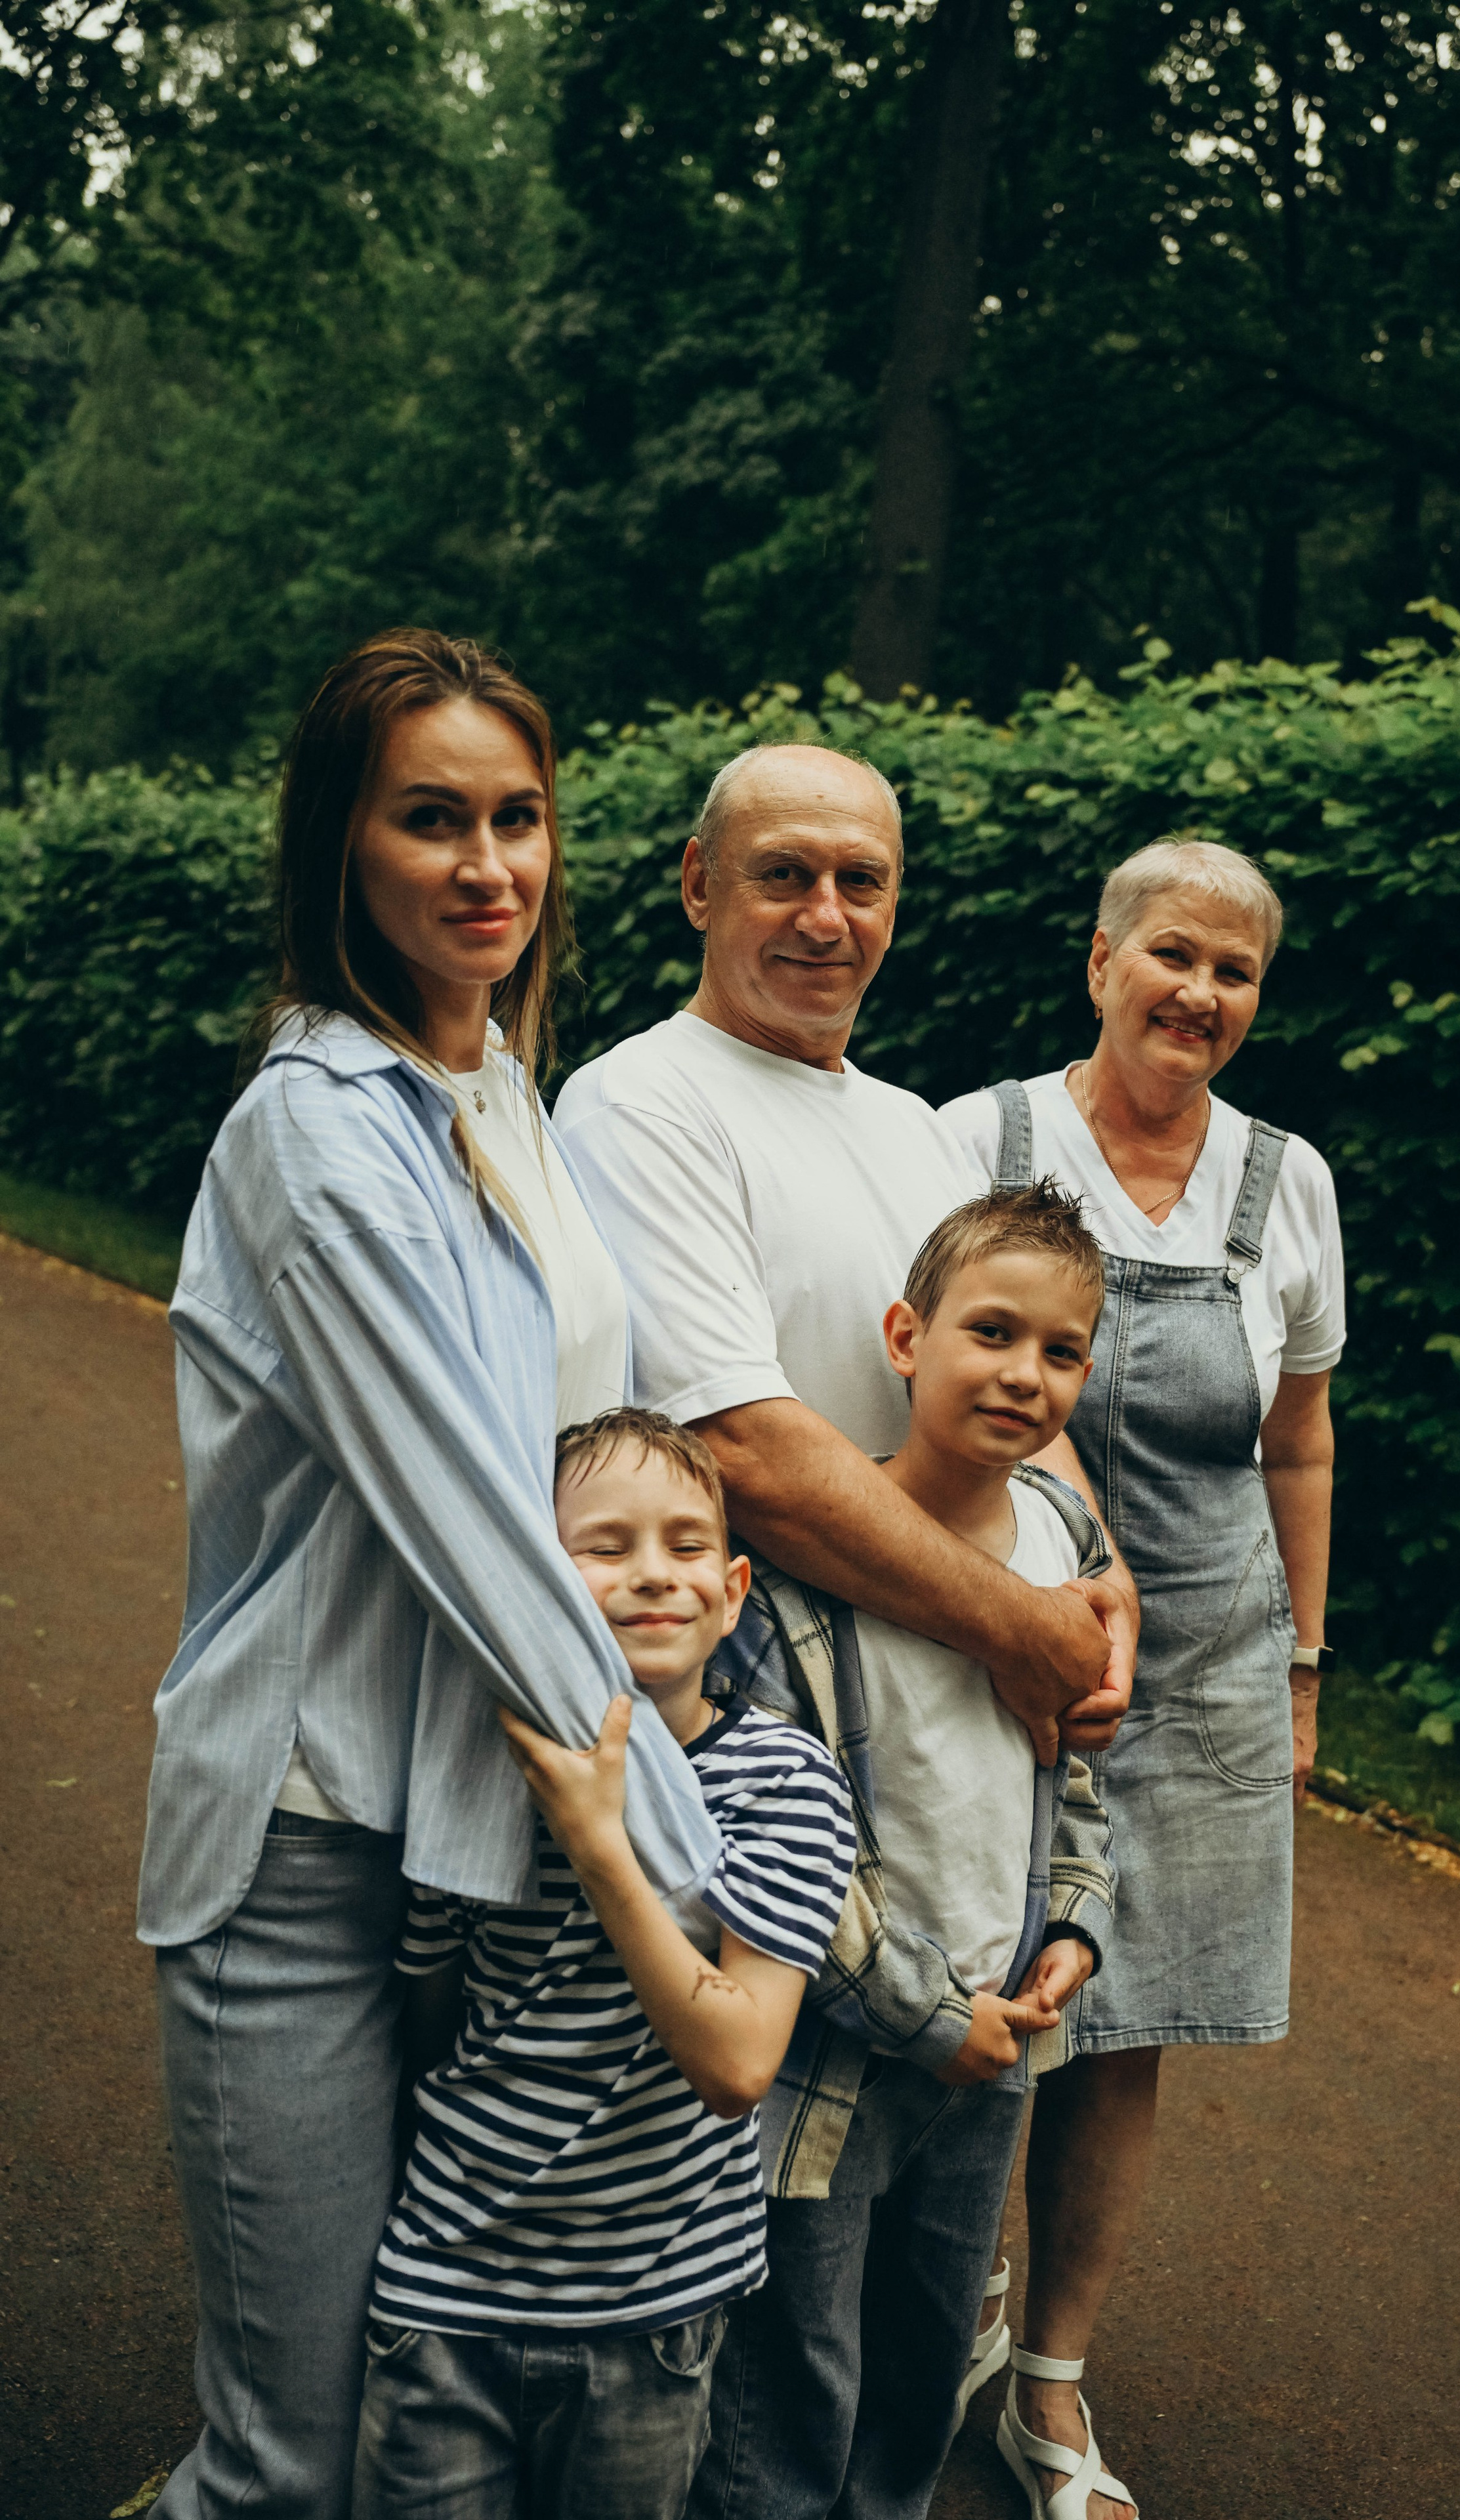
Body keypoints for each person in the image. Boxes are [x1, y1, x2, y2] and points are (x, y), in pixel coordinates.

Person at [141, 631, 723, 2520]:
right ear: (341, 849)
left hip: (482, 1868)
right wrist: (702, 1863)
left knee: (424, 2440)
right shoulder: (319, 1135)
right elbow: (476, 1520)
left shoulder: (504, 1104)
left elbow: (603, 1471)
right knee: (288, 2464)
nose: (487, 865)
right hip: (309, 1863)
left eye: (519, 818)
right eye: (430, 821)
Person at [941, 835, 1343, 2520]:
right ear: (1097, 958)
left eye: (1233, 971)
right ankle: (933, 2326)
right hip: (994, 1647)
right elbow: (918, 1375)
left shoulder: (1287, 1182)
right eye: (1169, 954)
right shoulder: (983, 1138)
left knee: (1126, 2030)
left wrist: (1304, 1668)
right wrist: (1037, 1598)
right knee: (965, 2005)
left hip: (1212, 1675)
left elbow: (1298, 1443)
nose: (1197, 993)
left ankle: (1047, 2387)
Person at [552, 742, 1138, 1780]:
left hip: (962, 1719)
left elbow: (1010, 1362)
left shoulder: (916, 1129)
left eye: (859, 881)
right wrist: (1026, 1626)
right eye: (783, 875)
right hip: (778, 1719)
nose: (826, 918)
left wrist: (1097, 1572)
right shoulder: (640, 1101)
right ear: (700, 884)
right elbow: (741, 1447)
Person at [690, 1180, 1118, 2520]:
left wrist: (1067, 1931)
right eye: (988, 1333)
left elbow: (1073, 1782)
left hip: (992, 2045)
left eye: (1059, 1352)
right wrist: (923, 2012)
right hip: (839, 2050)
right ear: (902, 1337)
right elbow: (776, 1851)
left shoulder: (1054, 1547)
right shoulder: (820, 1580)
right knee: (793, 2366)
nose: (1023, 1375)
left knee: (927, 2349)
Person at [353, 1408, 855, 2520]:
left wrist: (599, 1844)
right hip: (448, 2286)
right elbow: (430, 2017)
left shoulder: (784, 1784)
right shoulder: (477, 1760)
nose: (651, 1576)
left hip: (654, 2308)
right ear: (537, 1578)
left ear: (732, 1594)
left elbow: (737, 2064)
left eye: (685, 1546)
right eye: (605, 1546)